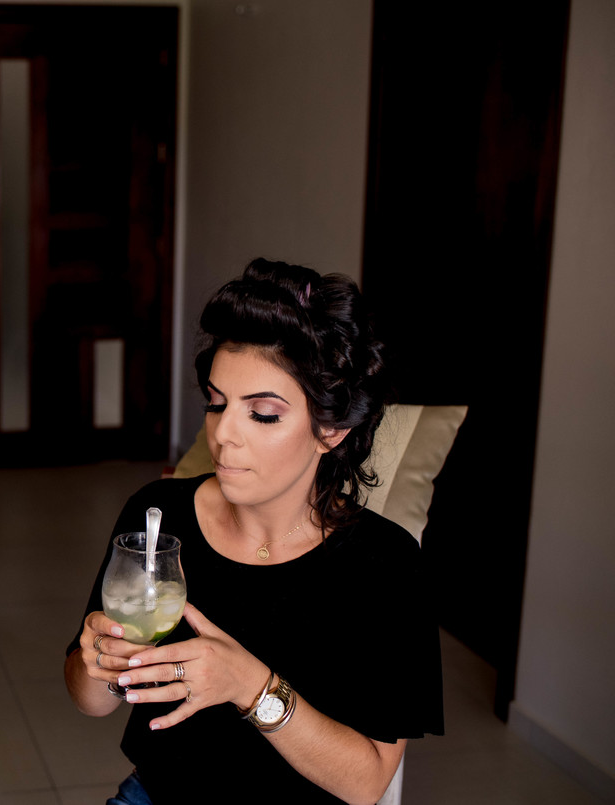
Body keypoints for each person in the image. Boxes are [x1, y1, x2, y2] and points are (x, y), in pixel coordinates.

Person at [64, 259, 443, 804]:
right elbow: (89, 701)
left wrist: (249, 685)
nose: (224, 434)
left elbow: (366, 783)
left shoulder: (384, 564)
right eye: (216, 404)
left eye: (262, 414)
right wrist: (100, 658)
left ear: (331, 428)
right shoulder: (158, 516)